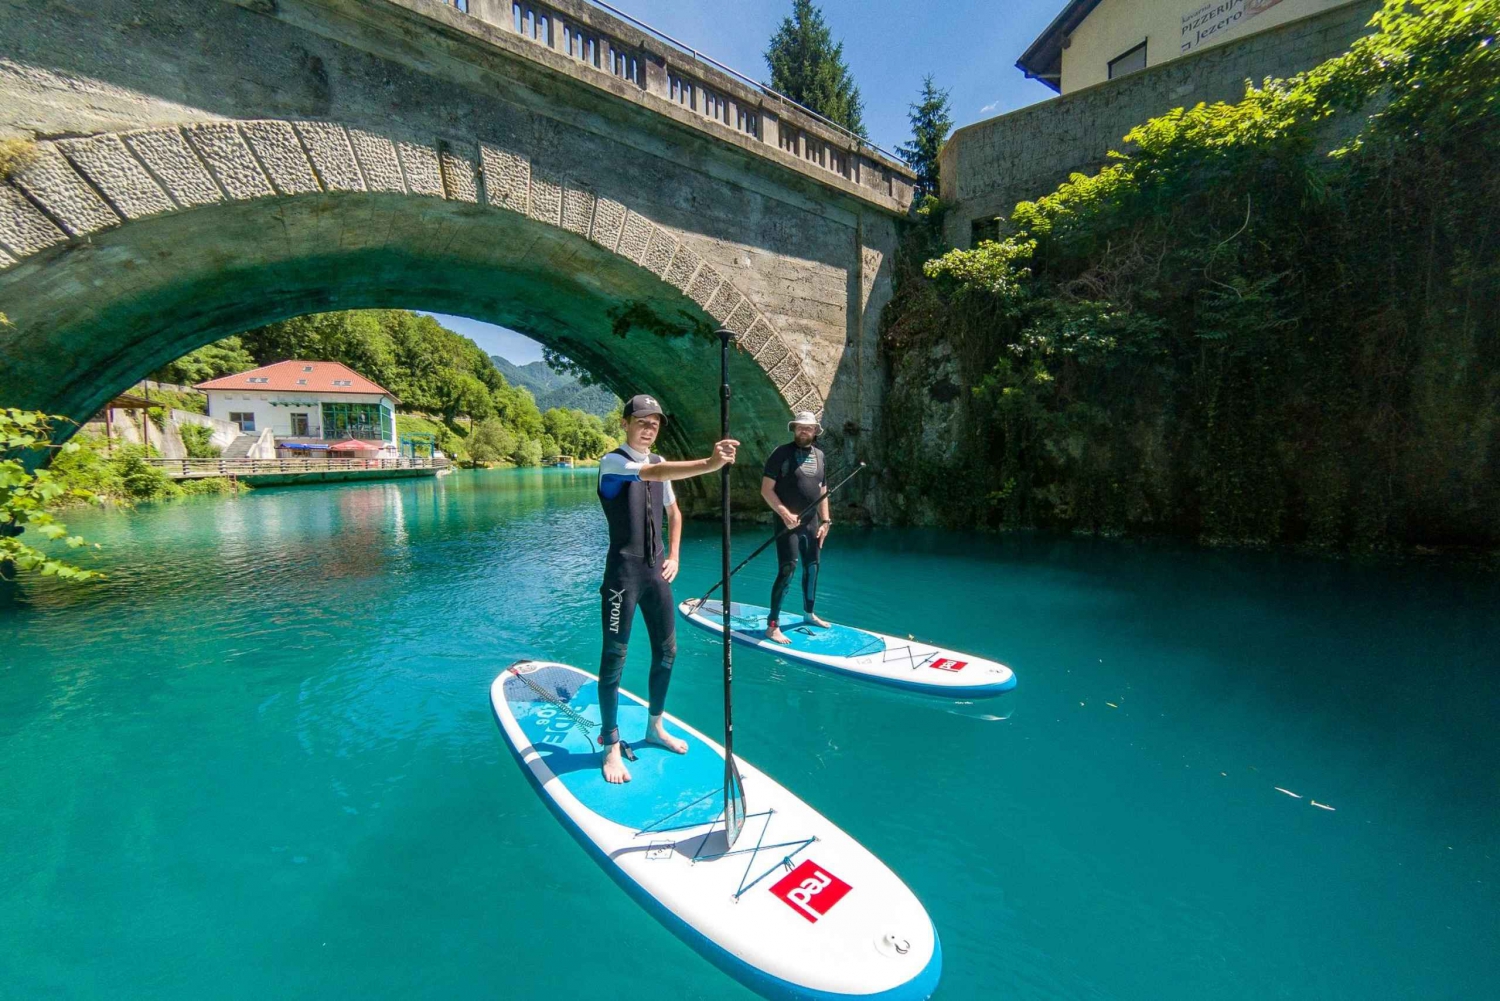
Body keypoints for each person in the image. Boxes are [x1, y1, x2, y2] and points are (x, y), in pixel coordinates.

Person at [596, 393, 739, 784]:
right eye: (642, 420)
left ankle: (654, 727)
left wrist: (674, 555)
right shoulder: (614, 462)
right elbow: (650, 476)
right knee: (615, 658)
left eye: (655, 422)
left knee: (667, 651)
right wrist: (711, 464)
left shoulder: (660, 462)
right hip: (623, 577)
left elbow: (673, 512)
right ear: (625, 423)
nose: (649, 427)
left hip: (655, 573)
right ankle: (610, 746)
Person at [760, 411, 830, 645]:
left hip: (811, 524)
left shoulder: (820, 456)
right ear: (794, 429)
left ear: (814, 431)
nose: (803, 431)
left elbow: (822, 490)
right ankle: (773, 626)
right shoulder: (781, 453)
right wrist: (784, 513)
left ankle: (809, 614)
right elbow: (766, 490)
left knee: (813, 568)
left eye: (808, 428)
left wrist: (826, 521)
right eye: (800, 427)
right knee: (787, 570)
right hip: (787, 523)